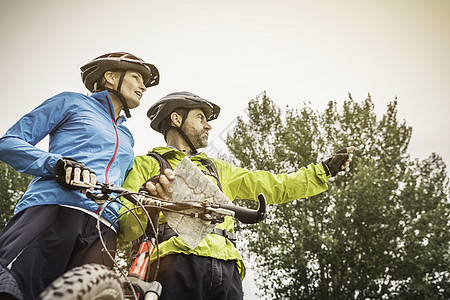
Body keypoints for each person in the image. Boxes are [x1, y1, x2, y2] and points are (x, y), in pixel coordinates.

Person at [118, 91, 354, 300]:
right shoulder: (145, 165)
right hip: (174, 263)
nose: (208, 125)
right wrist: (148, 204)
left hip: (227, 267)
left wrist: (324, 170)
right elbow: (125, 228)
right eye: (200, 118)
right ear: (176, 119)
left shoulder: (218, 169)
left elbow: (275, 185)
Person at [0, 52, 159, 300]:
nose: (143, 86)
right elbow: (8, 143)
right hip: (56, 207)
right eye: (137, 77)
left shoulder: (127, 136)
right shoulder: (71, 102)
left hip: (104, 229)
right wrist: (56, 165)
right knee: (13, 288)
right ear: (110, 77)